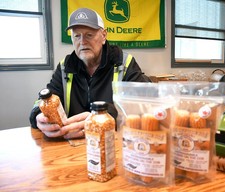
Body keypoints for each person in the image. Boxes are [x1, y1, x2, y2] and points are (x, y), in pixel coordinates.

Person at [29, 8, 151, 140]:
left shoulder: (124, 63)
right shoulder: (65, 67)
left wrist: (103, 117)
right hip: (71, 147)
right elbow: (47, 99)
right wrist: (38, 116)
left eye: (89, 35)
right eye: (77, 36)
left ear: (103, 36)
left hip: (111, 141)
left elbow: (145, 106)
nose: (82, 42)